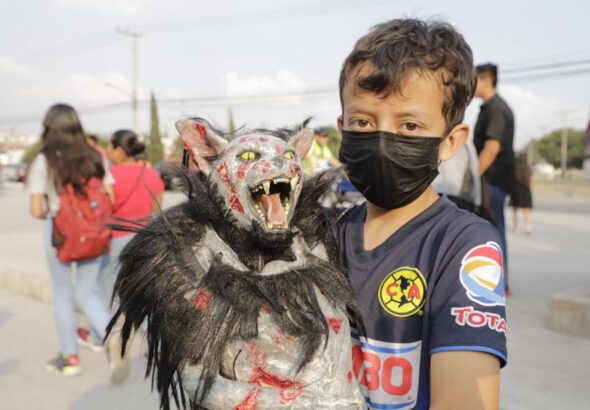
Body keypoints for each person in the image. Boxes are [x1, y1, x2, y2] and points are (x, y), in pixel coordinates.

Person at [336, 19, 507, 409]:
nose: (382, 141)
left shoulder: (463, 245)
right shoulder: (321, 236)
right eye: (363, 122)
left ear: (450, 141)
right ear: (343, 129)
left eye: (409, 125)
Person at [27, 103, 126, 381]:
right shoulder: (95, 155)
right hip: (94, 229)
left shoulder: (45, 159)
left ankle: (70, 359)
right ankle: (112, 335)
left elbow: (35, 209)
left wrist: (57, 213)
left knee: (62, 293)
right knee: (86, 291)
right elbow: (110, 196)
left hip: (59, 232)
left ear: (49, 126)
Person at [77, 129, 165, 351]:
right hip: (145, 239)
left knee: (105, 290)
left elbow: (102, 208)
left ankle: (100, 336)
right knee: (142, 294)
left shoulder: (109, 176)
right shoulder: (152, 174)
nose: (108, 151)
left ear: (119, 150)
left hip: (116, 240)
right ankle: (158, 345)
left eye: (110, 147)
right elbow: (157, 209)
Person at [473, 63, 515, 294]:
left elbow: (491, 149)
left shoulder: (496, 109)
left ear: (486, 80)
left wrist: (473, 177)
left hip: (494, 180)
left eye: (474, 79)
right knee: (492, 228)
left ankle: (500, 283)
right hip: (492, 179)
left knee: (494, 230)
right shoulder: (489, 108)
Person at [510, 154, 533, 234]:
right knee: (526, 210)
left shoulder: (514, 168)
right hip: (526, 191)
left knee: (515, 209)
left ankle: (516, 227)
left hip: (516, 191)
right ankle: (528, 227)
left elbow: (511, 180)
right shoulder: (528, 169)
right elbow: (530, 181)